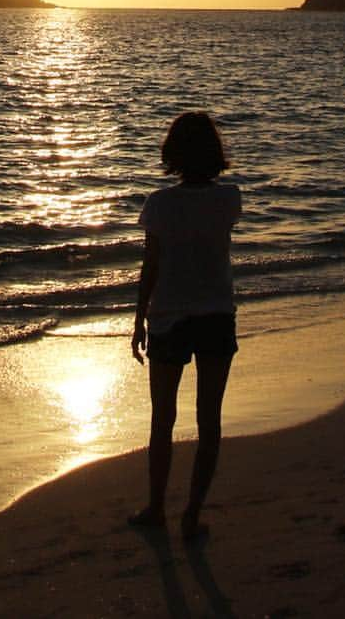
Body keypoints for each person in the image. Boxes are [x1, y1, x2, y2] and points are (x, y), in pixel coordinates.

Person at [129, 111, 242, 540]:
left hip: (168, 318)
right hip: (216, 314)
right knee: (209, 419)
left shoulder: (159, 204)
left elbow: (151, 266)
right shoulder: (230, 198)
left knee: (163, 418)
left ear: (172, 152)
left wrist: (138, 318)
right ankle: (192, 513)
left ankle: (157, 507)